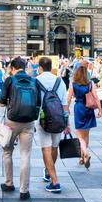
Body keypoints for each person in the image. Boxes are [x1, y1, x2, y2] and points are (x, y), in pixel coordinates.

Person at [0, 57, 40, 201]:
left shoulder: (9, 80)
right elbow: (38, 102)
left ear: (12, 68)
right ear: (25, 66)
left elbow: (2, 101)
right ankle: (24, 191)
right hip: (29, 122)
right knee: (25, 155)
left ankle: (9, 183)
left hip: (12, 121)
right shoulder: (34, 81)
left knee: (7, 151)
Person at [36, 56, 70, 193]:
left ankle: (55, 182)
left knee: (46, 148)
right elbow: (65, 103)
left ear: (39, 67)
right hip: (58, 118)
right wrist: (67, 122)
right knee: (54, 147)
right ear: (51, 67)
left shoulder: (36, 81)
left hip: (42, 119)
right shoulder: (59, 81)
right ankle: (48, 171)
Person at [68, 65, 101, 168]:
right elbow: (96, 97)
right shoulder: (90, 84)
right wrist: (100, 109)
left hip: (79, 108)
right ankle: (82, 157)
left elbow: (68, 98)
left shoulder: (73, 84)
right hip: (89, 108)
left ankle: (84, 154)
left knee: (79, 135)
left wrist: (67, 109)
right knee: (86, 135)